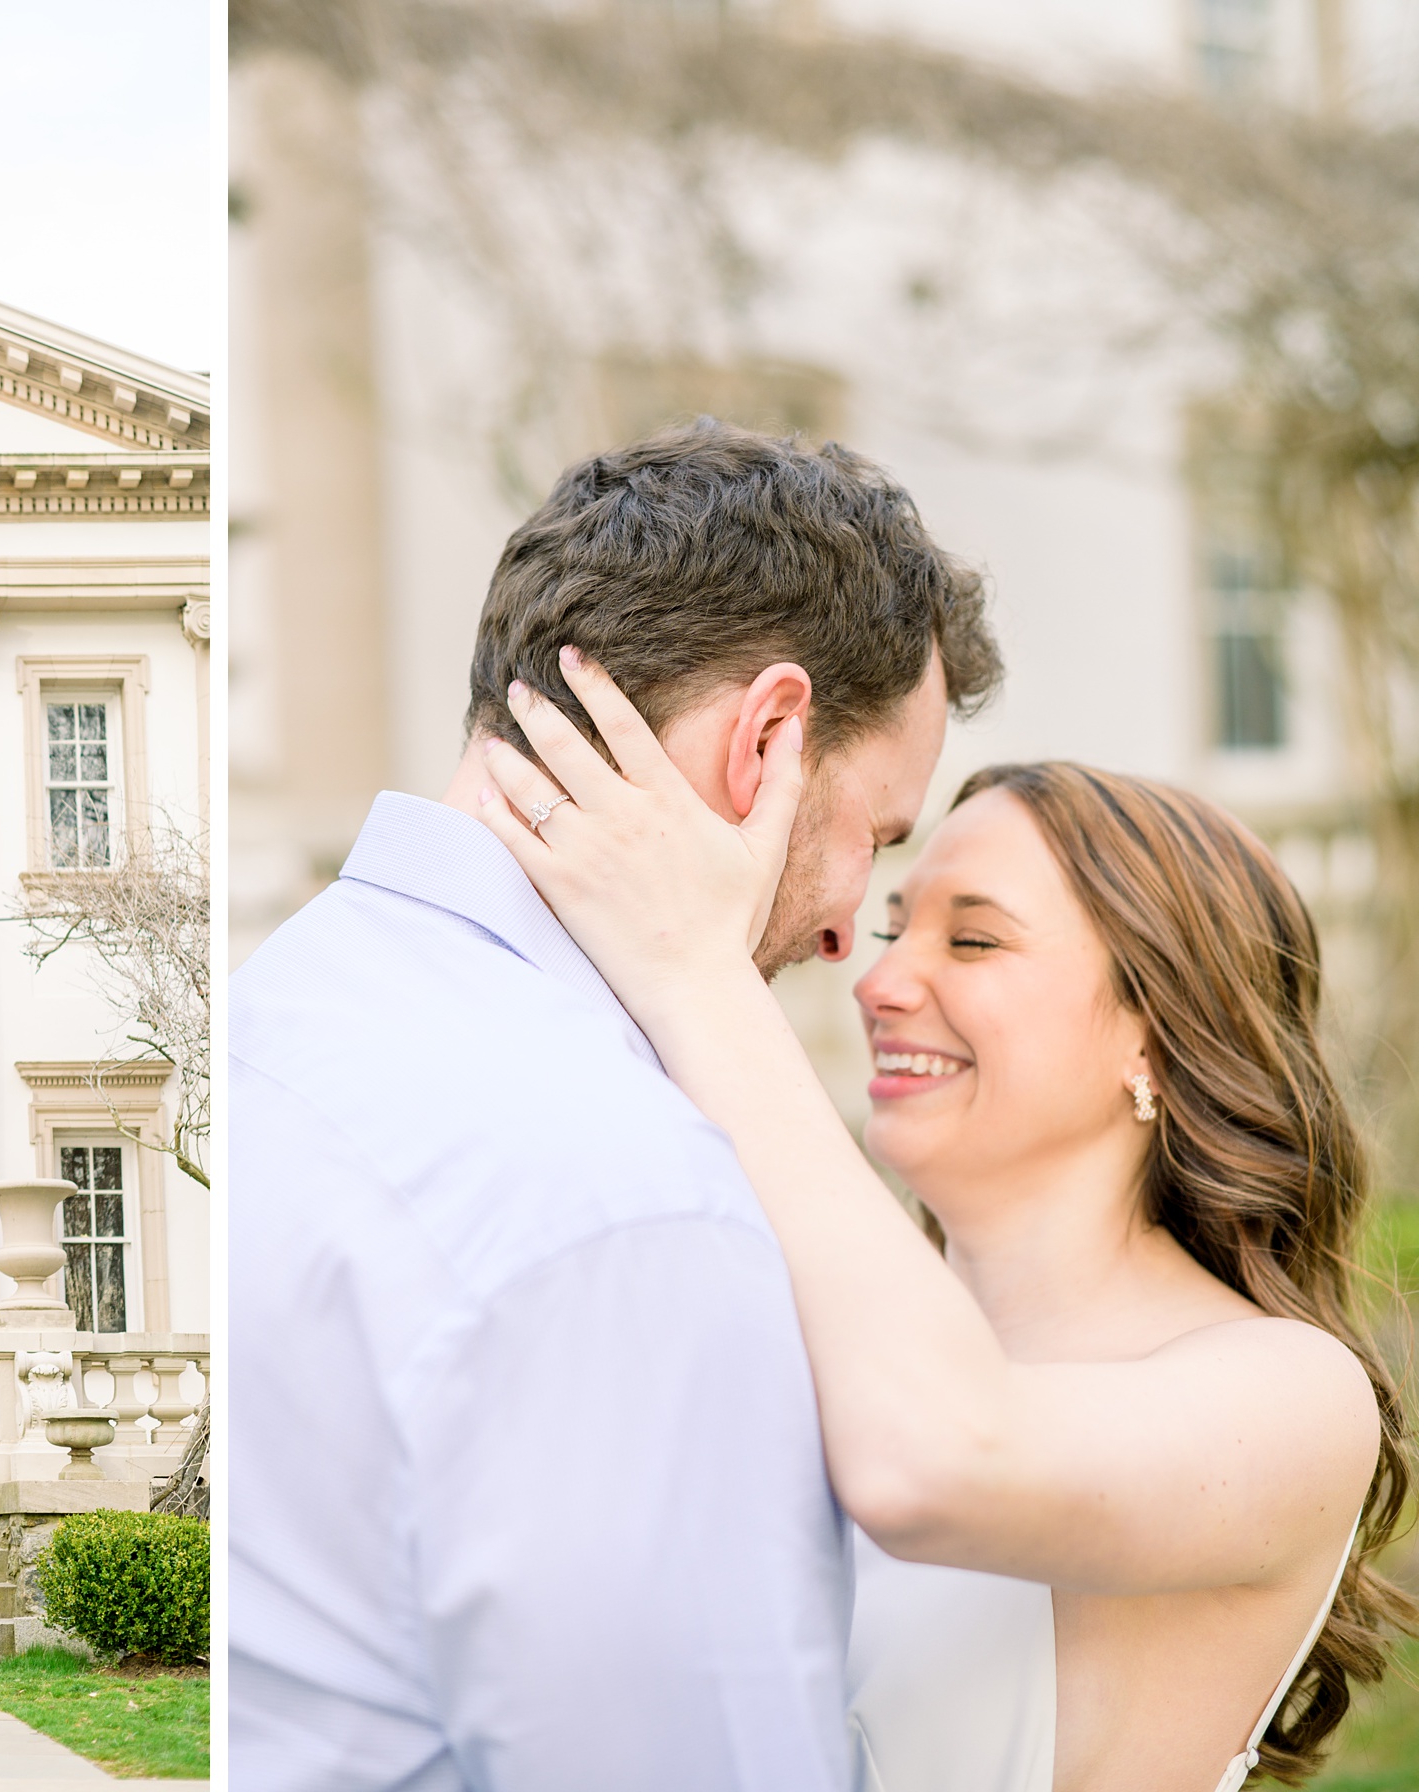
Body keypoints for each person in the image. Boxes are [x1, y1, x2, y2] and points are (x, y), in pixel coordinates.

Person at [475, 659, 1415, 1788]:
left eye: (973, 941)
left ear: (1157, 1035)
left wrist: (695, 972)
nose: (880, 985)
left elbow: (938, 1458)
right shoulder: (796, 1326)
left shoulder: (1295, 1397)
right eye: (889, 933)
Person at [231, 421, 1003, 1787]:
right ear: (765, 740)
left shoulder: (275, 1011)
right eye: (873, 835)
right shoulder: (635, 1202)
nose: (845, 940)